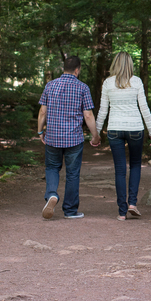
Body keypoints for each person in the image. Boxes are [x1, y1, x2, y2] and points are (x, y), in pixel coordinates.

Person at [91, 52, 151, 221]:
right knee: (135, 165)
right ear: (130, 64)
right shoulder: (136, 81)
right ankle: (132, 203)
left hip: (114, 129)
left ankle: (122, 211)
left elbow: (103, 110)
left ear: (115, 64)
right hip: (135, 128)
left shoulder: (108, 83)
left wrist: (96, 134)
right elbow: (144, 108)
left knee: (120, 170)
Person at [37, 56, 100, 220]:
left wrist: (39, 131)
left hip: (52, 137)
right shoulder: (82, 88)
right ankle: (70, 211)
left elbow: (43, 111)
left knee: (52, 168)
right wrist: (95, 136)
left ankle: (52, 194)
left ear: (63, 68)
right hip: (74, 138)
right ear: (77, 70)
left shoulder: (50, 85)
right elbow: (88, 115)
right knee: (72, 173)